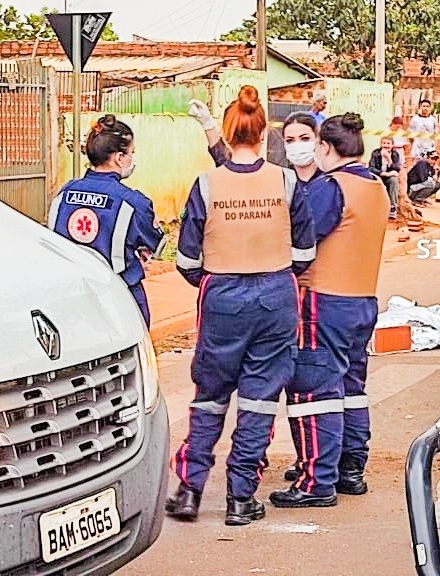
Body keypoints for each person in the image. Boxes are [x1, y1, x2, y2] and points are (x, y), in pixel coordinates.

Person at [169, 86, 316, 527]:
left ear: (229, 132)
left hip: (222, 297)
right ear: (264, 134)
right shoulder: (287, 181)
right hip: (276, 297)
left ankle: (190, 490)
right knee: (259, 399)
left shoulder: (207, 183)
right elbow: (305, 253)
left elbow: (186, 260)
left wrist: (217, 281)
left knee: (210, 396)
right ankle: (240, 498)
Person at [270, 112, 388, 509]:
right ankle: (348, 469)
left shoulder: (329, 188)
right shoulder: (374, 187)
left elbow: (299, 241)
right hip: (362, 301)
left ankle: (315, 482)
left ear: (324, 147)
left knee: (314, 391)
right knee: (351, 389)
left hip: (323, 301)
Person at [47, 115, 163, 326]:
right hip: (121, 295)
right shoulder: (133, 202)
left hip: (71, 297)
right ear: (119, 158)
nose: (132, 159)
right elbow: (157, 244)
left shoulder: (63, 194)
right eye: (131, 153)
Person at [367, 136, 402, 220]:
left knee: (394, 180)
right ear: (380, 144)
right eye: (384, 143)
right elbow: (371, 168)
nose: (386, 145)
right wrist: (383, 173)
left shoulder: (395, 154)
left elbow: (396, 169)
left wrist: (389, 159)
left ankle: (392, 207)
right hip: (378, 176)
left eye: (388, 143)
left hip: (389, 177)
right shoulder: (375, 153)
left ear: (392, 145)